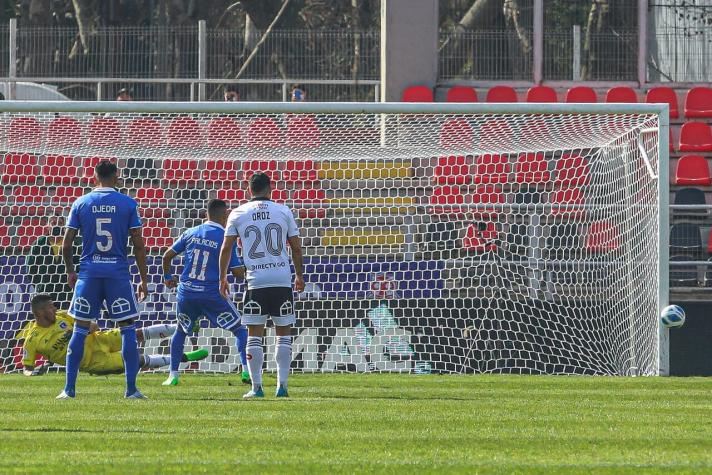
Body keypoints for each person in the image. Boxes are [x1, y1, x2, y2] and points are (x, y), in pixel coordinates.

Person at [60, 159, 149, 399]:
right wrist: (143, 279)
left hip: (88, 274)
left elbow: (66, 245)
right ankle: (131, 390)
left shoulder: (81, 203)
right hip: (117, 274)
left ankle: (69, 390)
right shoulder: (128, 203)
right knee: (128, 329)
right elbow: (138, 245)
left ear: (95, 176)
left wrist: (71, 271)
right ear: (116, 175)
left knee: (79, 330)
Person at [219, 173, 305, 399]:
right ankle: (282, 386)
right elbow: (296, 248)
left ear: (249, 189)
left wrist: (222, 278)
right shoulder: (283, 211)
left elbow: (226, 249)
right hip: (281, 280)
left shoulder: (238, 213)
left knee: (254, 335)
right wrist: (299, 276)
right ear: (270, 189)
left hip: (255, 282)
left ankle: (256, 388)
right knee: (283, 334)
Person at [162, 199, 249, 387]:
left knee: (180, 331)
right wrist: (251, 269)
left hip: (187, 293)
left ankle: (173, 375)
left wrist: (168, 276)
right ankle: (245, 370)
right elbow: (237, 272)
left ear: (205, 215)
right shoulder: (226, 237)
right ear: (225, 216)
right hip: (212, 294)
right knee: (240, 330)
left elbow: (166, 256)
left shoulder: (190, 232)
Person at [20, 294, 208, 376]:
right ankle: (182, 358)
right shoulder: (32, 339)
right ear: (40, 312)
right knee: (137, 359)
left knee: (136, 334)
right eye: (50, 307)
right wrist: (32, 372)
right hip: (93, 361)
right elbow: (26, 368)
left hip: (100, 339)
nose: (55, 309)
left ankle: (184, 325)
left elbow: (90, 323)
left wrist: (90, 326)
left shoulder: (62, 316)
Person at [25, 218, 79, 307]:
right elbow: (31, 269)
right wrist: (39, 286)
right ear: (47, 226)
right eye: (53, 223)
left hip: (66, 293)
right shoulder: (39, 243)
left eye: (60, 223)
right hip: (45, 292)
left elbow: (78, 266)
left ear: (64, 225)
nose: (57, 225)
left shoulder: (72, 244)